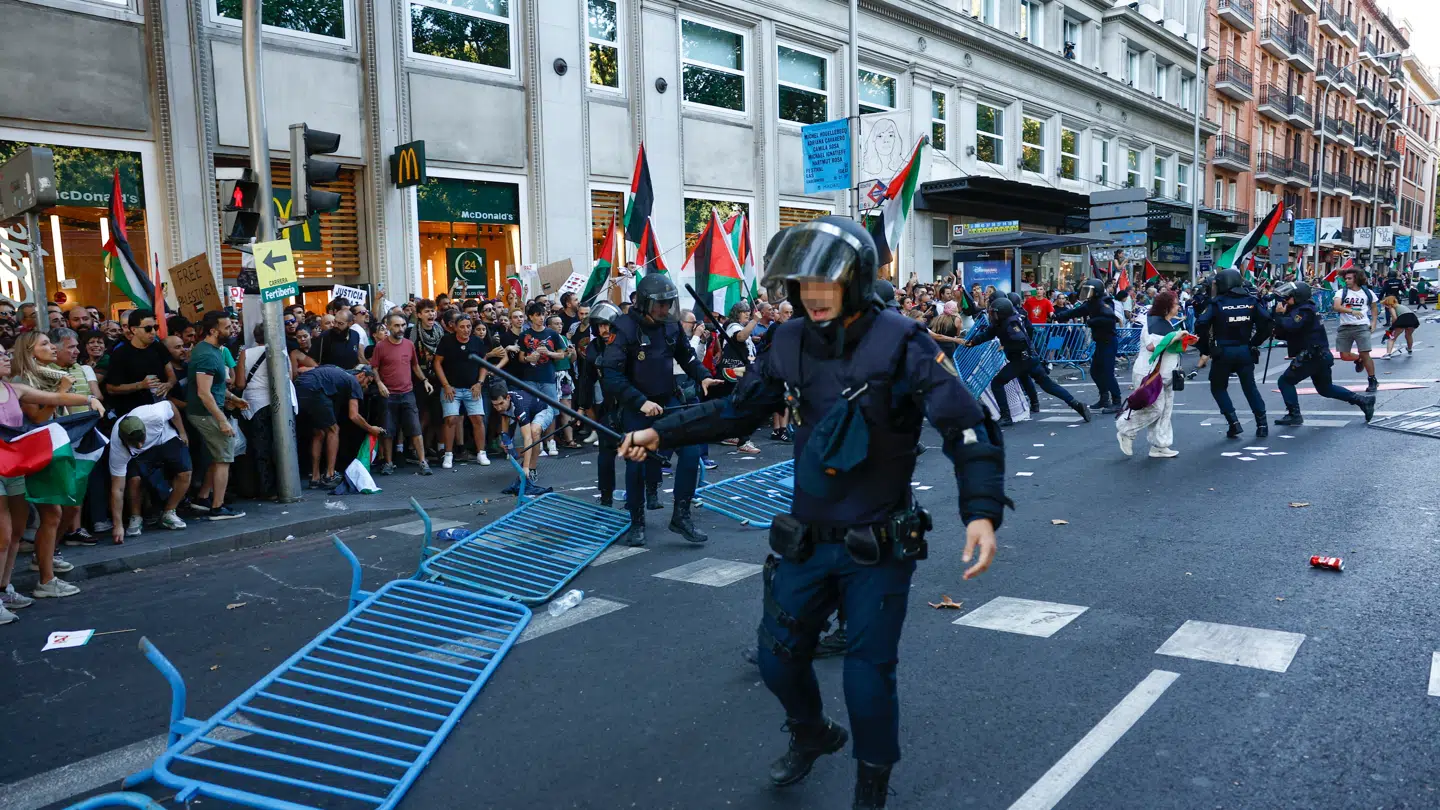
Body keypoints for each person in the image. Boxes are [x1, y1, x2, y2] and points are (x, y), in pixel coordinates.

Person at [617, 217, 1006, 809]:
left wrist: (980, 510)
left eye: (824, 281)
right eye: (801, 283)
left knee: (866, 676)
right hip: (805, 542)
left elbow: (966, 424)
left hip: (878, 545)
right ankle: (812, 734)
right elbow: (738, 411)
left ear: (854, 280)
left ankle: (871, 786)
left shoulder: (904, 341)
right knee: (776, 660)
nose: (811, 294)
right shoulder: (789, 340)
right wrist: (657, 433)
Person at [602, 273, 721, 546]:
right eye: (660, 304)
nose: (666, 309)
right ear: (645, 303)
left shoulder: (670, 326)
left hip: (668, 400)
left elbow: (686, 355)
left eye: (669, 303)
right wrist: (640, 401)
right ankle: (637, 521)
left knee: (691, 452)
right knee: (636, 463)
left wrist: (702, 375)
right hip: (637, 406)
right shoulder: (623, 328)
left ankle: (681, 515)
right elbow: (611, 374)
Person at [963, 296, 1089, 426]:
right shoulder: (1004, 322)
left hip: (1021, 359)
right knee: (1048, 385)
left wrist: (1006, 345)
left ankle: (1006, 417)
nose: (992, 316)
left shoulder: (1010, 325)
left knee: (997, 383)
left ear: (1001, 313)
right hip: (1028, 359)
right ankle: (1077, 405)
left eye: (994, 313)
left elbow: (1020, 341)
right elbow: (988, 334)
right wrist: (973, 342)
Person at [1271, 281, 1376, 427]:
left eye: (1288, 298)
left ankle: (1294, 414)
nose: (1285, 301)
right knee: (1325, 389)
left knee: (1285, 382)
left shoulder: (1304, 310)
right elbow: (1286, 333)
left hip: (1312, 356)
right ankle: (1363, 401)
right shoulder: (1303, 308)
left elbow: (1291, 325)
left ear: (1298, 297)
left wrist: (1279, 316)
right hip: (1319, 355)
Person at [1196, 268, 1271, 439]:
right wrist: (1254, 343)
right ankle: (1262, 425)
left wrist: (1206, 348)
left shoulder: (1216, 303)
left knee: (1218, 387)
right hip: (1245, 349)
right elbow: (1267, 322)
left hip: (1223, 351)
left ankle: (1234, 423)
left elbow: (1201, 324)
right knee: (1250, 388)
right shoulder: (1251, 301)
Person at [186, 311, 246, 520]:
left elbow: (215, 386)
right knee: (223, 459)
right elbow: (204, 392)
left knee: (217, 456)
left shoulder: (212, 350)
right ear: (213, 330)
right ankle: (217, 507)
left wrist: (232, 397)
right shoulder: (207, 355)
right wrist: (221, 420)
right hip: (206, 413)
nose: (232, 330)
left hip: (209, 410)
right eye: (227, 327)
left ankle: (203, 498)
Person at [1116, 291, 1189, 458]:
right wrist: (1176, 337)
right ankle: (1126, 430)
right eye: (1176, 303)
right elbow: (1152, 346)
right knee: (1155, 408)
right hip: (1150, 373)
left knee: (1165, 410)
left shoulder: (1165, 323)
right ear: (1166, 307)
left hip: (1165, 374)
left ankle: (1160, 445)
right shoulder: (1153, 323)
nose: (1178, 306)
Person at [107, 402, 192, 543]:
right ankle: (135, 517)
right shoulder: (118, 446)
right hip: (139, 455)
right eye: (135, 443)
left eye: (141, 440)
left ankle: (169, 512)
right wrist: (118, 526)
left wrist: (182, 431)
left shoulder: (155, 415)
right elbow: (117, 489)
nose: (140, 445)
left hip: (164, 438)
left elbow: (172, 406)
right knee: (135, 480)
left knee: (185, 472)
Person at [295, 365, 387, 488]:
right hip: (315, 390)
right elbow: (353, 415)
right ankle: (330, 475)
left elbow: (302, 370)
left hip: (298, 389)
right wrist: (371, 428)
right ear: (361, 375)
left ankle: (315, 478)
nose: (366, 386)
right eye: (368, 382)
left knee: (319, 432)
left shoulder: (339, 372)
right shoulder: (354, 382)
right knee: (334, 430)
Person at [370, 312, 434, 475]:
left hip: (407, 393)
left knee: (415, 429)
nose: (400, 329)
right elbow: (374, 368)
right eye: (397, 325)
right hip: (388, 395)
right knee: (388, 430)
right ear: (389, 326)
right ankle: (389, 463)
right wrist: (379, 383)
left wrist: (425, 380)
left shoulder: (408, 344)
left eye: (403, 325)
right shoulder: (380, 346)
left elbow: (415, 366)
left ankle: (422, 462)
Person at [1053, 278, 1123, 413]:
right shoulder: (1091, 303)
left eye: (1089, 290)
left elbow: (1109, 319)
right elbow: (1075, 312)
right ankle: (1104, 398)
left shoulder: (1105, 302)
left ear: (1096, 292)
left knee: (1108, 373)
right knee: (1095, 371)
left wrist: (1092, 322)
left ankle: (1117, 402)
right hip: (1101, 342)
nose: (1086, 293)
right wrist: (1058, 316)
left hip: (1108, 341)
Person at [434, 314, 490, 469]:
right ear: (455, 327)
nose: (466, 330)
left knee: (478, 419)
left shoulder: (477, 342)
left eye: (468, 326)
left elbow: (484, 364)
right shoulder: (447, 341)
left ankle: (481, 453)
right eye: (462, 327)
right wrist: (445, 385)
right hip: (452, 388)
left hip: (473, 387)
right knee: (450, 419)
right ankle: (449, 454)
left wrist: (480, 382)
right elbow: (437, 363)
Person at [486, 380, 556, 496]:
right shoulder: (504, 405)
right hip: (528, 414)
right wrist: (505, 439)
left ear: (508, 397)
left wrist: (526, 468)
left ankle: (532, 469)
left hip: (543, 410)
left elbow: (527, 438)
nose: (498, 408)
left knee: (533, 433)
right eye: (495, 405)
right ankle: (535, 452)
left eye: (500, 404)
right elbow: (505, 418)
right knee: (518, 452)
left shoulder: (518, 406)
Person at [104, 309, 177, 416]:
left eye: (155, 328)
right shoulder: (120, 354)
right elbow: (111, 388)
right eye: (148, 329)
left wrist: (168, 384)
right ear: (134, 329)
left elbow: (171, 374)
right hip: (135, 413)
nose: (153, 332)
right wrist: (141, 385)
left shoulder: (158, 347)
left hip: (162, 408)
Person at [519, 302, 565, 456]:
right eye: (537, 315)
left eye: (543, 314)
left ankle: (550, 442)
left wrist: (549, 353)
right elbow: (520, 357)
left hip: (548, 377)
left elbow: (562, 354)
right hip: (530, 378)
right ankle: (536, 443)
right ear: (530, 317)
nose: (541, 318)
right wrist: (529, 358)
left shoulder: (552, 334)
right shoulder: (524, 335)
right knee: (531, 409)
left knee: (551, 409)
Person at [1334, 269, 1379, 393]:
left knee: (1365, 353)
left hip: (1362, 326)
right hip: (1345, 326)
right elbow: (1336, 306)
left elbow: (1374, 308)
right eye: (1346, 278)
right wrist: (1352, 311)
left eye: (1349, 278)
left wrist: (1373, 323)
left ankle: (1372, 379)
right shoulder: (1341, 292)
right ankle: (1358, 359)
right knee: (1344, 355)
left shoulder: (1367, 293)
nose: (1346, 281)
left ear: (1357, 279)